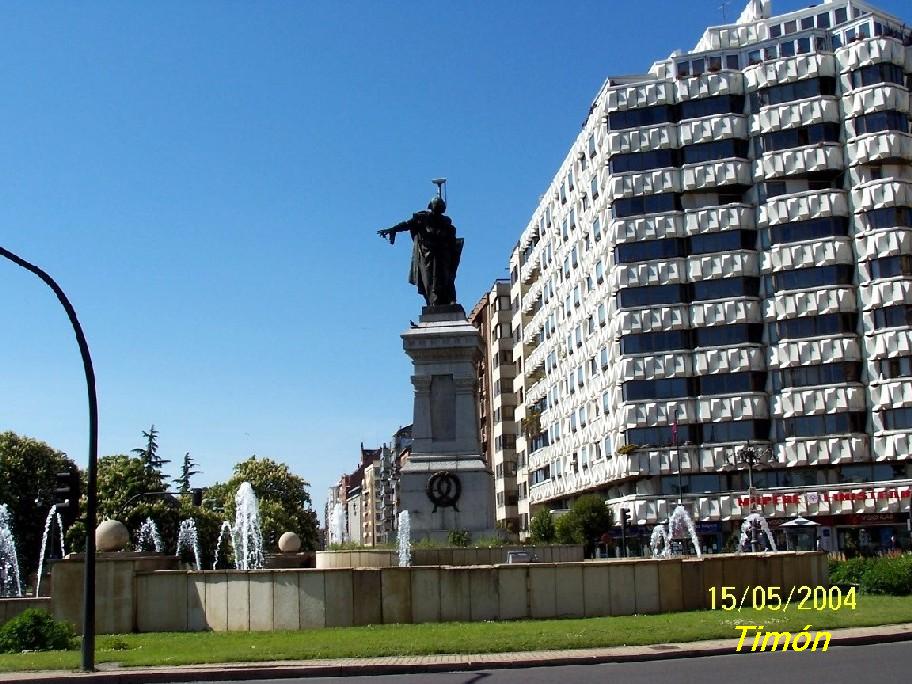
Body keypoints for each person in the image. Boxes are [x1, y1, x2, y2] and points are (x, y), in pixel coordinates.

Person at [378, 197, 463, 307]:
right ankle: (433, 302)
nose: (437, 211)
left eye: (439, 208)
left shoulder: (446, 223)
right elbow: (407, 224)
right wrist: (393, 229)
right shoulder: (422, 218)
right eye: (436, 208)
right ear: (431, 207)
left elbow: (452, 241)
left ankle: (449, 300)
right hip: (427, 255)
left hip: (443, 255)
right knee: (428, 281)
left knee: (446, 277)